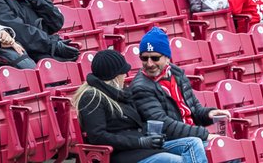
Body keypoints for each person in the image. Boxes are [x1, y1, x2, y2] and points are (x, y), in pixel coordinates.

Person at [75, 50, 205, 163]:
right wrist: (141, 142)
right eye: (123, 72)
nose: (126, 75)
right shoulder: (91, 98)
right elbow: (98, 137)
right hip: (123, 154)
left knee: (194, 143)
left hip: (141, 147)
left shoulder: (121, 92)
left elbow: (136, 124)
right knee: (180, 161)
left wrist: (153, 134)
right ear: (114, 76)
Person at [130, 28, 230, 152]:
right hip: (167, 141)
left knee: (229, 150)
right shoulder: (141, 87)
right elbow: (164, 125)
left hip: (191, 137)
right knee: (213, 149)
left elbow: (194, 110)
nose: (149, 64)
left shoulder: (177, 74)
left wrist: (209, 114)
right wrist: (204, 135)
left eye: (155, 58)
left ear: (167, 58)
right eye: (144, 58)